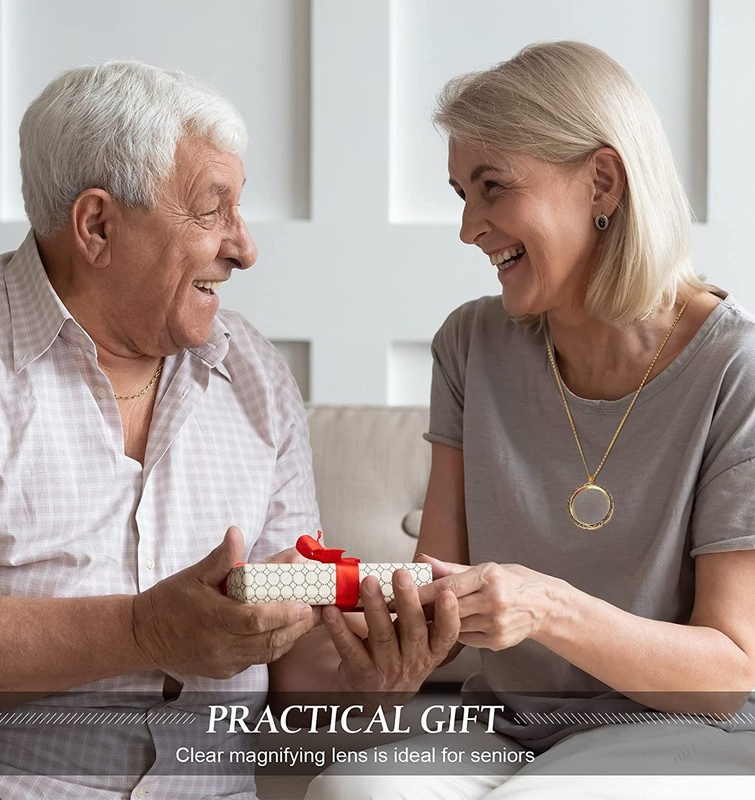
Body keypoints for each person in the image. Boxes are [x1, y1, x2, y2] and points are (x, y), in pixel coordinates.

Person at [0, 61, 459, 800]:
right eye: (211, 211)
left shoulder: (253, 374)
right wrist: (142, 631)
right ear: (97, 226)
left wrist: (371, 682)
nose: (244, 248)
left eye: (239, 210)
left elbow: (295, 679)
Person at [305, 40, 755, 799]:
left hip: (683, 731)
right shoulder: (471, 345)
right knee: (354, 790)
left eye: (493, 187)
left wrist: (546, 606)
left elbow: (727, 673)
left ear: (602, 182)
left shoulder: (735, 368)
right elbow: (440, 598)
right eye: (461, 194)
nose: (468, 227)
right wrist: (373, 627)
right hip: (509, 724)